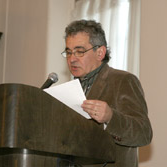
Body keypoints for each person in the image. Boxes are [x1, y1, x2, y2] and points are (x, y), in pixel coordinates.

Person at [61, 19, 152, 167]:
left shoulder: (123, 80)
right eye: (69, 52)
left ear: (100, 52)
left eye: (80, 51)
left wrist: (111, 117)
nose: (72, 59)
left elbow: (143, 133)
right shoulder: (66, 90)